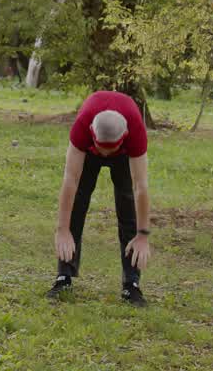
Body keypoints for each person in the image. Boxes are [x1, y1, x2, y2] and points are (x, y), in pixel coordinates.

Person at [47, 90, 152, 307]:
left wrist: (143, 234)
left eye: (109, 150)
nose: (105, 155)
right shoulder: (82, 126)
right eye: (101, 149)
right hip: (89, 152)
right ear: (91, 133)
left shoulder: (135, 131)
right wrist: (62, 229)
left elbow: (140, 187)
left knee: (127, 204)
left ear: (123, 138)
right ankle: (63, 278)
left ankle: (131, 285)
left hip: (122, 155)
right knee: (77, 203)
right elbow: (70, 180)